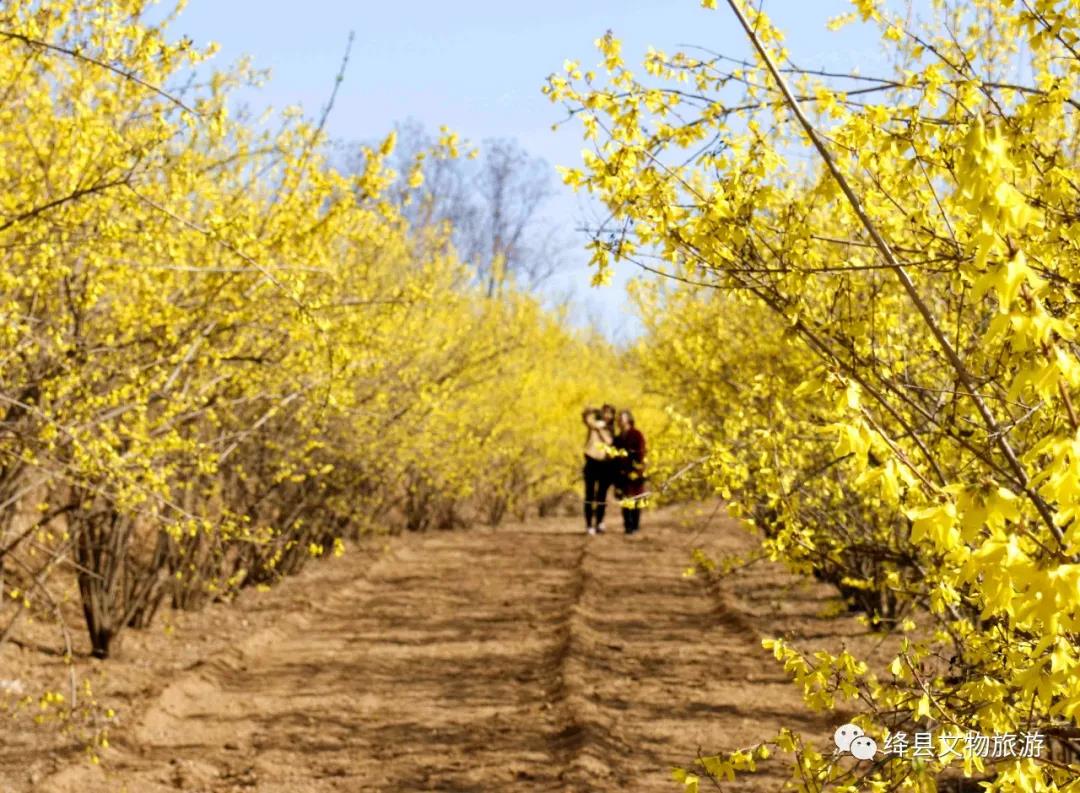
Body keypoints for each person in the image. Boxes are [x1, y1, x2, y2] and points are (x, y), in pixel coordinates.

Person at [582, 404, 616, 535]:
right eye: (605, 412)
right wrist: (588, 411)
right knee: (589, 494)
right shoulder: (593, 425)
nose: (607, 415)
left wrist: (599, 428)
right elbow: (585, 418)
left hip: (605, 465)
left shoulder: (611, 430)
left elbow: (609, 442)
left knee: (601, 495)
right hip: (591, 462)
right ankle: (589, 524)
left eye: (610, 413)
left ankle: (599, 522)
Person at [613, 409, 646, 534]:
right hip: (621, 473)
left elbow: (641, 452)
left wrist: (637, 469)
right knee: (625, 499)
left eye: (622, 417)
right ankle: (628, 526)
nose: (620, 420)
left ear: (629, 419)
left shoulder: (637, 434)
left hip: (635, 471)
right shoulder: (618, 438)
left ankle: (636, 526)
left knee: (636, 499)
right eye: (619, 418)